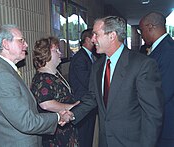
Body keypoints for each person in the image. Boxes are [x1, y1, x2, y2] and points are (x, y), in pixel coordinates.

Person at [71, 16, 164, 147]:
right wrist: (72, 115)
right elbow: (93, 97)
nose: (93, 39)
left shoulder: (142, 65)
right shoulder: (97, 66)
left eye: (96, 34)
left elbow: (153, 114)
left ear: (112, 36)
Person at [0, 25, 74, 147]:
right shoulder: (2, 76)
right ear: (6, 44)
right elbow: (26, 122)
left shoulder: (4, 69)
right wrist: (58, 117)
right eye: (21, 40)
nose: (26, 45)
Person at [30, 36, 80, 147]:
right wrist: (72, 107)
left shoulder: (55, 75)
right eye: (56, 50)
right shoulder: (42, 79)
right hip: (56, 135)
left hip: (65, 130)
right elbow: (46, 104)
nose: (60, 53)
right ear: (45, 54)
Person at [139, 11, 174, 147]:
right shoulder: (160, 48)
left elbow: (163, 92)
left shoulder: (168, 51)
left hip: (166, 125)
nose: (141, 35)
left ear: (150, 27)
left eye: (142, 30)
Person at [69, 28, 97, 147]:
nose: (96, 41)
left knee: (88, 134)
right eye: (94, 38)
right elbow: (87, 81)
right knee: (84, 136)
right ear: (87, 39)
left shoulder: (89, 56)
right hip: (82, 101)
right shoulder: (80, 58)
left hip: (88, 101)